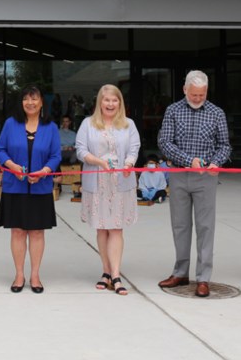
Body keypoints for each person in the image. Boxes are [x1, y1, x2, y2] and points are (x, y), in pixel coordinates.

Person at [157, 70, 231, 298]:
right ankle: (180, 272)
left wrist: (215, 162)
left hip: (206, 177)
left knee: (205, 227)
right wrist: (189, 160)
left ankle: (203, 277)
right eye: (194, 94)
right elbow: (164, 142)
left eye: (202, 94)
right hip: (180, 174)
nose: (198, 98)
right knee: (180, 225)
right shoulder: (173, 110)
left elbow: (225, 146)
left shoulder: (217, 113)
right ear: (185, 89)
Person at [0, 85, 61, 294]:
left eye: (34, 99)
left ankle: (35, 275)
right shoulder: (10, 124)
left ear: (42, 102)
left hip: (40, 187)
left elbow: (56, 155)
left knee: (37, 232)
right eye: (26, 99)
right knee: (17, 230)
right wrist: (12, 166)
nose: (30, 103)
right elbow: (0, 149)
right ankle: (19, 275)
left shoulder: (50, 127)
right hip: (15, 186)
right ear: (21, 102)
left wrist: (44, 171)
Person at [75, 84, 139, 296]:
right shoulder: (88, 124)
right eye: (106, 100)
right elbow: (81, 150)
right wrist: (99, 162)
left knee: (116, 228)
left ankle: (117, 275)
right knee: (102, 229)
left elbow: (134, 148)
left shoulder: (128, 124)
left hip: (120, 183)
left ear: (119, 103)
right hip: (97, 182)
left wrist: (129, 164)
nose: (110, 104)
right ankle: (106, 272)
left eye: (114, 100)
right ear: (99, 103)